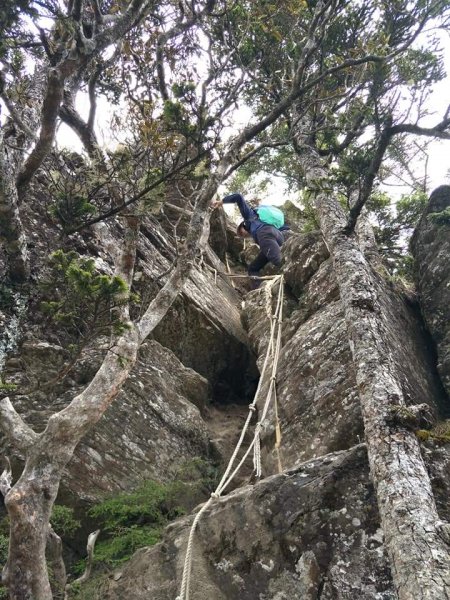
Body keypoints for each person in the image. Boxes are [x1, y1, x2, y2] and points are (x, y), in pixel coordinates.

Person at [212, 192, 288, 284]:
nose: (242, 235)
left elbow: (238, 197)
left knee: (278, 262)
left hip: (265, 234)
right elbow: (285, 229)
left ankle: (288, 274)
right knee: (253, 268)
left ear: (244, 225)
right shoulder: (264, 223)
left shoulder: (248, 216)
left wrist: (221, 202)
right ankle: (260, 289)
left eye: (241, 232)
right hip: (277, 236)